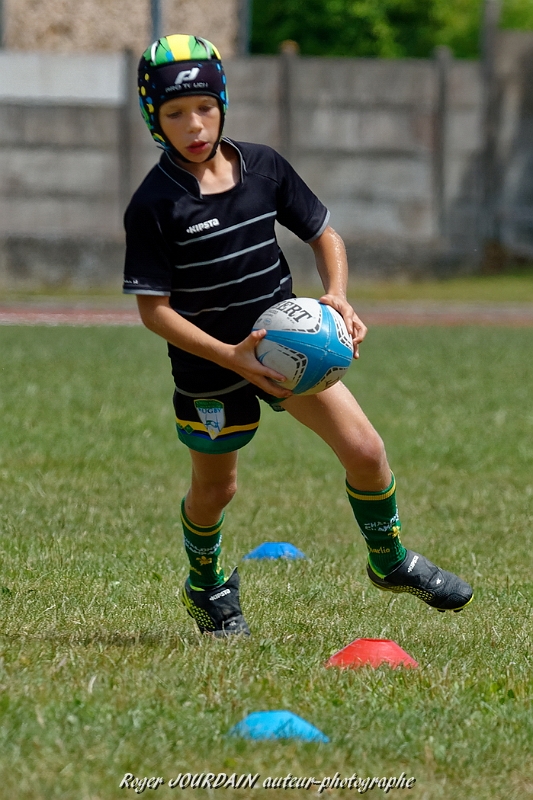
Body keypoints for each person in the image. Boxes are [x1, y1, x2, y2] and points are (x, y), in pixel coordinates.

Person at [123, 34, 473, 637]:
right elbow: (154, 311)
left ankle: (389, 561)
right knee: (217, 489)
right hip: (210, 367)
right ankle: (206, 585)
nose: (194, 125)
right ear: (154, 118)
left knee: (366, 451)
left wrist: (337, 295)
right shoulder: (154, 205)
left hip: (293, 351)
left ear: (222, 102)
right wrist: (231, 355)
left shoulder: (263, 167)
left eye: (204, 107)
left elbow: (323, 234)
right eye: (175, 113)